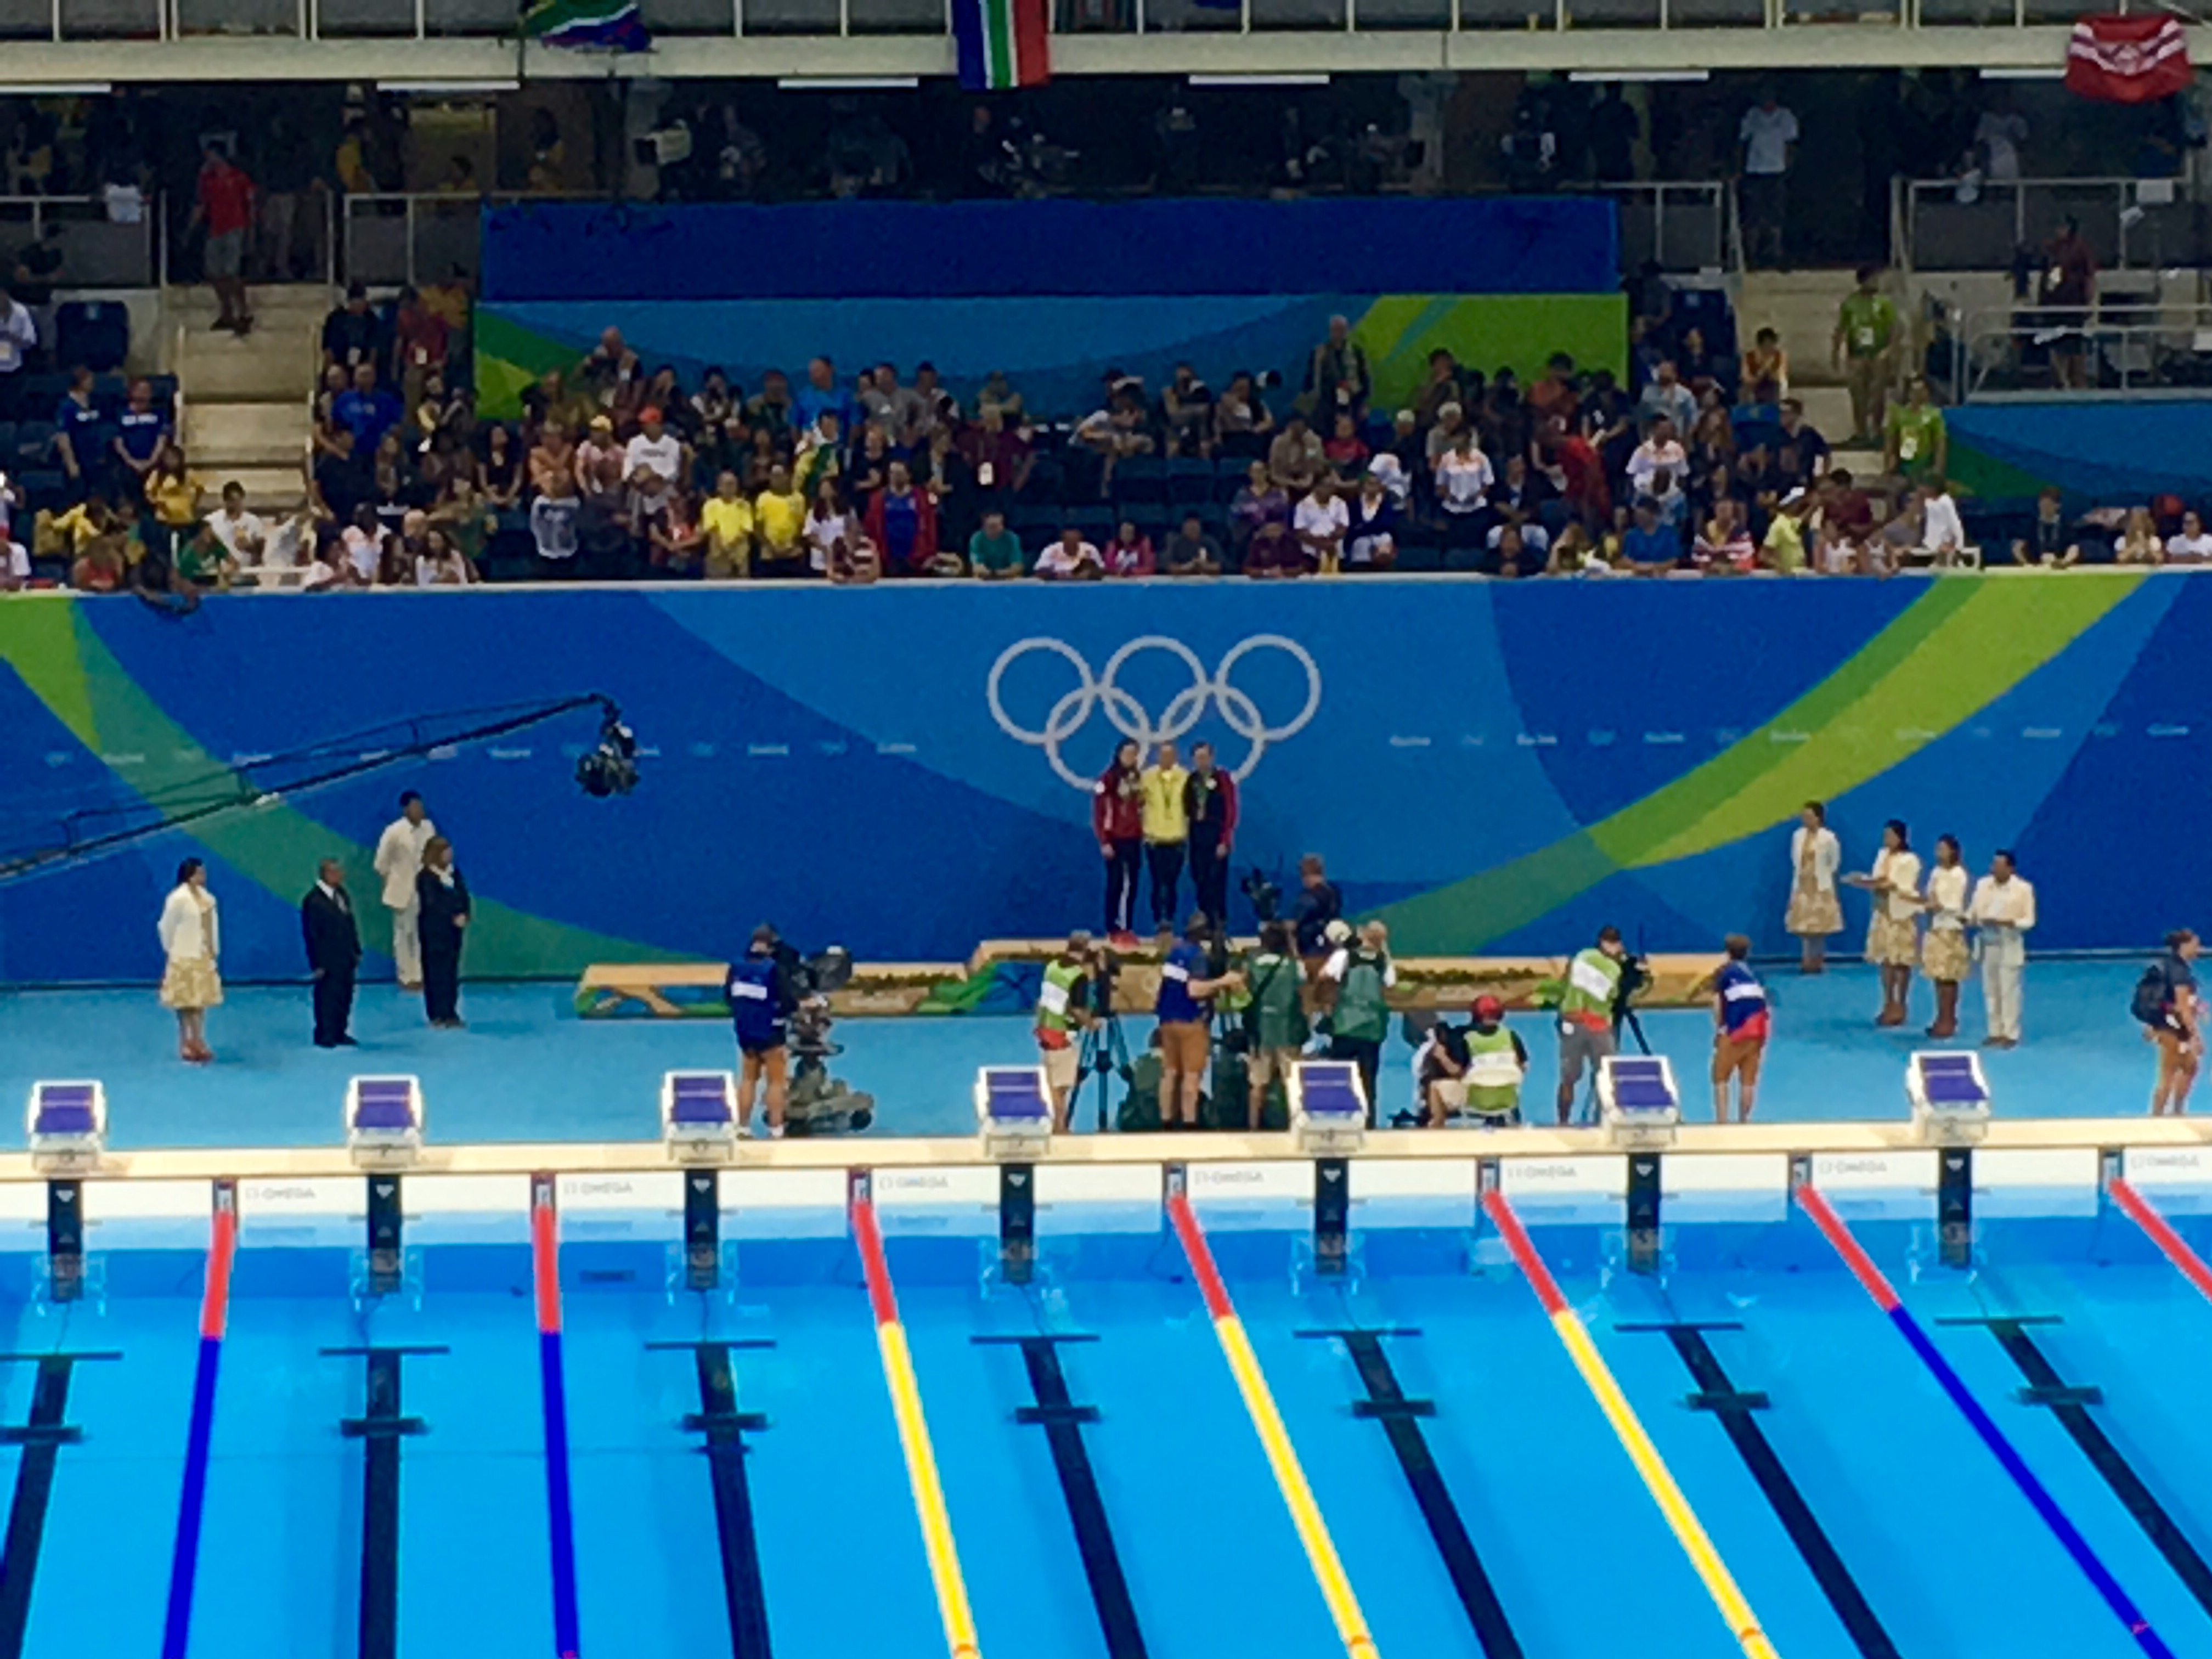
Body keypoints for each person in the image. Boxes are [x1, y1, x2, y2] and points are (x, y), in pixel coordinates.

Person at [1155, 915, 1241, 1130]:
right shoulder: (1197, 957)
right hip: (1191, 1021)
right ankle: (1190, 1122)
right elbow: (1195, 990)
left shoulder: (1174, 953)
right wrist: (1224, 981)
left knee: (1170, 1071)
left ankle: (1166, 1121)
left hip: (1168, 1019)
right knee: (1192, 1074)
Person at [1847, 820, 1922, 1028]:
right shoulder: (1882, 855)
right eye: (1885, 836)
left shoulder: (1910, 860)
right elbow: (1879, 878)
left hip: (1901, 915)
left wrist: (1865, 882)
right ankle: (1889, 1002)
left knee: (1901, 961)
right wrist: (1865, 881)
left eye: (1891, 836)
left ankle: (1902, 1003)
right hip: (1882, 912)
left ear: (1901, 837)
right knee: (1886, 961)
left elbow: (1897, 885)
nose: (1887, 840)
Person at [727, 925, 797, 1138]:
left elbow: (729, 997)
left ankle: (743, 1127)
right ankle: (776, 1130)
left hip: (745, 1033)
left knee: (748, 1079)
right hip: (771, 1033)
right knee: (776, 1081)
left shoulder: (736, 966)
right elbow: (788, 1001)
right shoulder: (774, 969)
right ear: (771, 945)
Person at [1321, 920, 1395, 1120]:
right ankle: (1368, 1121)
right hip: (1372, 1028)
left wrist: (1326, 1001)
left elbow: (1324, 976)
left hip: (1346, 1025)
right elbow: (1391, 984)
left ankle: (1336, 1118)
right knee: (1368, 1079)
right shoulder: (1383, 961)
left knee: (1340, 1076)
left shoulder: (1344, 956)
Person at [1555, 926, 1627, 1124]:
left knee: (1568, 1079)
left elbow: (1567, 979)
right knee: (1607, 1075)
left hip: (1571, 1020)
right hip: (1598, 1026)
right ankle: (1603, 1120)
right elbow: (1614, 995)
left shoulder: (1581, 956)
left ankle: (1563, 1122)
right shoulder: (1614, 969)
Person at [1242, 921, 1308, 1132]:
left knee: (1258, 1084)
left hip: (1261, 1032)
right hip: (1288, 1031)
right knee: (1292, 1083)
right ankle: (1294, 1124)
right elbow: (1303, 982)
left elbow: (1245, 988)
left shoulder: (1253, 965)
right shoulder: (1292, 966)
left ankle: (1253, 1126)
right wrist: (1293, 943)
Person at [1424, 996, 1527, 1128]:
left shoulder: (1469, 1040)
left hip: (1475, 1101)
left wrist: (1442, 1056)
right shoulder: (1511, 1036)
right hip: (1508, 1101)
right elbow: (1523, 1067)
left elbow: (1457, 1072)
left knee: (1435, 1086)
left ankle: (1437, 1126)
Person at [1968, 848, 2035, 1049]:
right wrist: (1971, 919)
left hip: (2009, 944)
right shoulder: (1983, 885)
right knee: (1991, 989)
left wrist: (2010, 923)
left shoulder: (2023, 889)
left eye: (1999, 865)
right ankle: (1994, 1031)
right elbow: (1973, 912)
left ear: (2011, 868)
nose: (1994, 869)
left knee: (2009, 990)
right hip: (1988, 943)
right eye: (1994, 865)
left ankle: (2010, 1033)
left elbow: (2029, 920)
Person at [157, 857, 221, 1064]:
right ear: (189, 875)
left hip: (203, 955)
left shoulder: (208, 899)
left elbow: (212, 927)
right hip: (183, 956)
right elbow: (166, 926)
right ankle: (185, 1041)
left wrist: (213, 950)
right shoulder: (177, 898)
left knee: (200, 1002)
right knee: (185, 1002)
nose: (203, 877)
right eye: (199, 873)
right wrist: (172, 949)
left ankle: (198, 1039)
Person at [373, 791, 437, 992]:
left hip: (425, 890)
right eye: (415, 806)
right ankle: (406, 976)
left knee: (422, 933)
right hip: (402, 891)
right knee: (404, 934)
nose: (419, 810)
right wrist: (396, 880)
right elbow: (381, 864)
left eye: (421, 806)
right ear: (406, 809)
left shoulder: (429, 828)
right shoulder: (394, 832)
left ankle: (421, 974)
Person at [189, 141, 255, 335]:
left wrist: (251, 229)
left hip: (235, 226)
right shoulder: (207, 179)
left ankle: (243, 311)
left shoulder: (238, 177)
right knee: (214, 272)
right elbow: (202, 203)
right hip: (216, 228)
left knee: (231, 272)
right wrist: (191, 227)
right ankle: (226, 310)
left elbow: (249, 203)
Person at [1034, 932, 1096, 1133]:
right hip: (1063, 1036)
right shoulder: (1078, 976)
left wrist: (1039, 1023)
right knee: (1060, 1088)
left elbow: (1043, 1000)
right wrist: (1091, 1024)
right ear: (1085, 951)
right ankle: (1060, 1128)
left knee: (1053, 1083)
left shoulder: (1052, 967)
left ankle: (1058, 1125)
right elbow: (1077, 1010)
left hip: (1046, 1030)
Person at [1832, 266, 1898, 445]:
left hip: (1878, 353)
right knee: (1858, 394)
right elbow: (1841, 329)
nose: (1876, 283)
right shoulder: (1851, 303)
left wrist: (1889, 351)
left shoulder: (1884, 303)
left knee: (1878, 394)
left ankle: (1877, 429)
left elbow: (1894, 328)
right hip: (1857, 353)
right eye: (1873, 279)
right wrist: (1836, 353)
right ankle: (1860, 431)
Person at [302, 857, 362, 1048]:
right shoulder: (314, 901)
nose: (340, 876)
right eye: (336, 872)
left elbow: (350, 925)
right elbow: (313, 934)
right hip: (327, 958)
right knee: (328, 996)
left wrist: (356, 949)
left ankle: (340, 1031)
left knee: (345, 994)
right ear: (326, 874)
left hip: (346, 956)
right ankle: (325, 1033)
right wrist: (317, 962)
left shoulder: (342, 895)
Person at [1710, 935, 1770, 1124]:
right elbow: (1764, 1004)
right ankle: (1745, 1122)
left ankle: (1722, 1122)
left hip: (1735, 1031)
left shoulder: (1723, 973)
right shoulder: (1757, 975)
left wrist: (1720, 1029)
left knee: (1720, 1078)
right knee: (1748, 1081)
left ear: (1727, 952)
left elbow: (1718, 1005)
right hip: (1758, 1031)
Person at [1092, 740, 1144, 947]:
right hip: (1115, 839)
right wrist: (1104, 840)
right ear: (1119, 755)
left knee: (1132, 884)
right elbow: (1099, 812)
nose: (1130, 758)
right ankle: (1112, 928)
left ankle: (1127, 927)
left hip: (1135, 839)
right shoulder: (1108, 779)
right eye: (1127, 754)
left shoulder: (1139, 779)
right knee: (1116, 884)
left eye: (1134, 754)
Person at [2144, 929, 2202, 1116]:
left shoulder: (2168, 965)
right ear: (2184, 946)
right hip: (2172, 1029)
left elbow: (2165, 999)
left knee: (2190, 1067)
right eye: (2195, 945)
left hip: (2167, 1026)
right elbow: (2182, 1007)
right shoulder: (2179, 972)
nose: (2198, 949)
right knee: (2169, 1074)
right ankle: (2157, 1117)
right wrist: (2195, 1036)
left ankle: (2176, 1112)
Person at [415, 834, 470, 1030]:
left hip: (453, 933)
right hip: (434, 932)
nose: (449, 855)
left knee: (451, 972)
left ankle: (451, 1011)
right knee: (435, 972)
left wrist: (464, 913)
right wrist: (452, 915)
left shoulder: (454, 874)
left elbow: (463, 896)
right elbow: (433, 903)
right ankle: (437, 1013)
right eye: (445, 852)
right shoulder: (426, 877)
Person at [1920, 834, 1971, 1040]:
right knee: (1938, 976)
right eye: (1938, 849)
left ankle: (1950, 1019)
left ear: (1953, 851)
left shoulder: (1959, 874)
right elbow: (1930, 895)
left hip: (1951, 928)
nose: (1939, 853)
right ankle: (1940, 1016)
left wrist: (1939, 906)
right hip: (1936, 927)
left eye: (1943, 849)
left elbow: (1955, 904)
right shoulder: (1936, 872)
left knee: (1949, 976)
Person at [1184, 742, 1237, 934]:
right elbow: (1186, 809)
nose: (1202, 761)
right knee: (1200, 880)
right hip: (1197, 839)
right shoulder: (1191, 781)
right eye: (1198, 758)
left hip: (1216, 838)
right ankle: (1204, 923)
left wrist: (1225, 840)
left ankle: (1219, 925)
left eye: (1205, 757)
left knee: (1217, 883)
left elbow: (1230, 811)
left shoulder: (1222, 779)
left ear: (1212, 758)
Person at [1786, 801, 1843, 973]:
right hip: (1803, 884)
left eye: (1810, 816)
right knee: (1804, 926)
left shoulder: (1829, 838)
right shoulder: (1798, 836)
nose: (1806, 820)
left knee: (1820, 927)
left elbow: (1834, 862)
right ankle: (1806, 958)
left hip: (1820, 886)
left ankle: (1818, 960)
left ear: (1819, 818)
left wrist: (1822, 874)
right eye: (1804, 816)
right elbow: (1795, 858)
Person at [1140, 740, 1190, 938]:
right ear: (1157, 756)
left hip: (1177, 838)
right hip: (1155, 839)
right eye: (1163, 755)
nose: (1167, 758)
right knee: (1157, 883)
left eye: (1170, 755)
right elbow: (1137, 803)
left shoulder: (1185, 777)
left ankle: (1169, 919)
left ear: (1176, 756)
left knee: (1172, 884)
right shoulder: (1147, 778)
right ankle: (1158, 921)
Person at [1293, 854, 1343, 958]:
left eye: (1306, 875)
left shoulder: (1313, 896)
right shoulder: (1333, 892)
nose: (1305, 880)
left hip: (1316, 945)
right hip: (1320, 942)